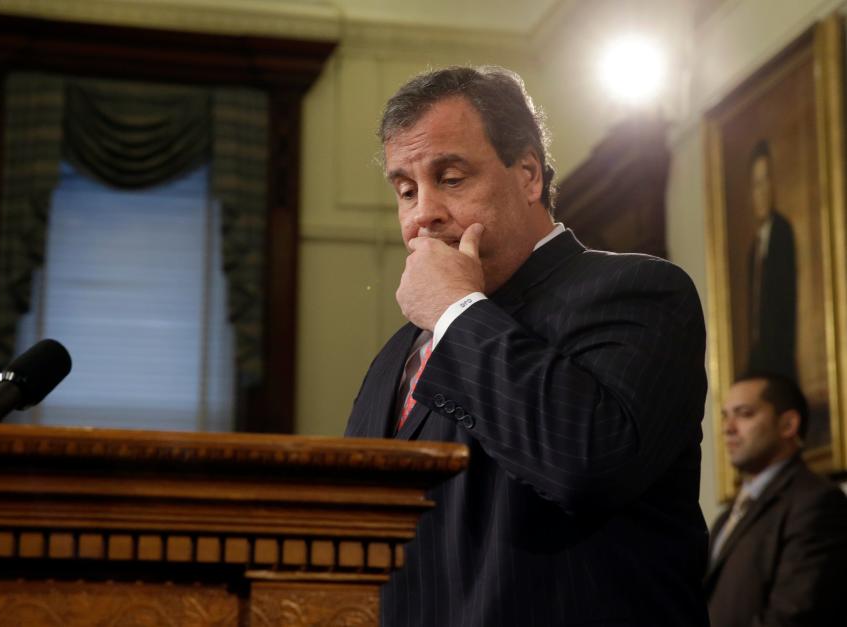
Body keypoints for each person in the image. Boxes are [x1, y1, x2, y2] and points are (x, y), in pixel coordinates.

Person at [345, 66, 710, 627]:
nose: (422, 214)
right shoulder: (396, 356)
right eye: (406, 189)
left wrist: (454, 310)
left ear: (529, 175)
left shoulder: (641, 292)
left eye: (451, 177)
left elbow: (588, 464)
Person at [706, 373, 847, 627]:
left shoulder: (817, 502)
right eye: (725, 416)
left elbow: (795, 614)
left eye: (745, 414)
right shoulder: (726, 518)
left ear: (788, 425)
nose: (728, 428)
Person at [745, 140, 796, 382]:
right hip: (761, 360)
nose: (762, 191)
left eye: (766, 182)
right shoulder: (753, 248)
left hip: (779, 359)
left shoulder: (782, 232)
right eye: (756, 185)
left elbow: (785, 304)